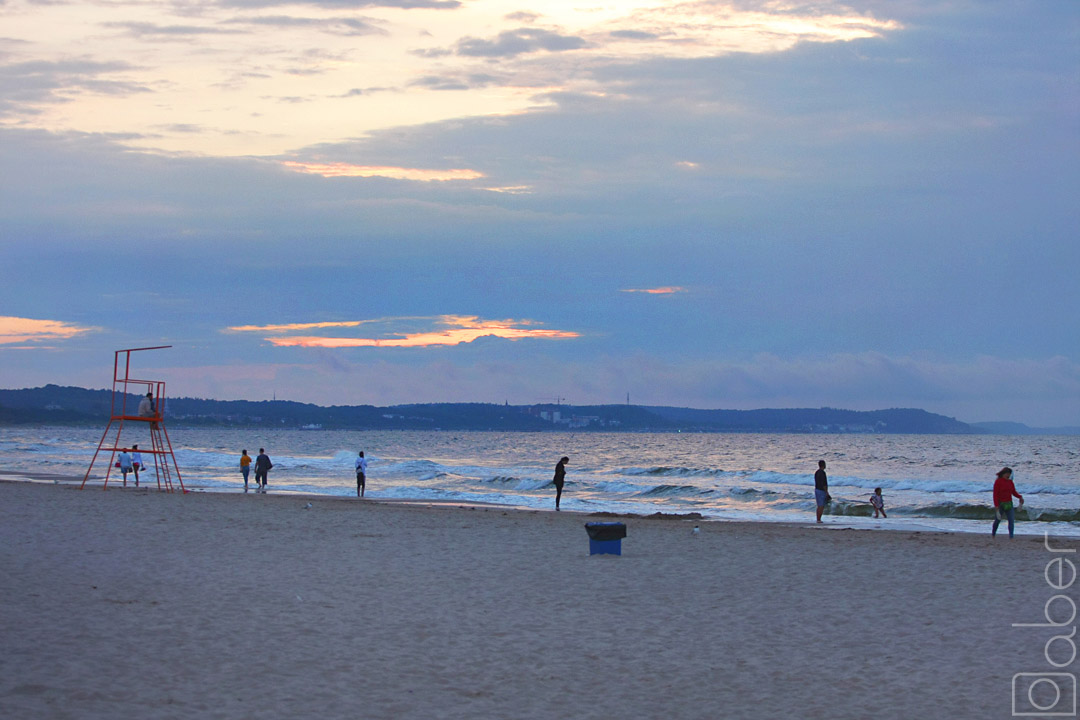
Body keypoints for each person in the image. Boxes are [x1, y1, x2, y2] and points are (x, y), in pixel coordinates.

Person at [992, 467, 1024, 539]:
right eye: (1007, 474)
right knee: (997, 520)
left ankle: (1011, 537)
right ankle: (993, 534)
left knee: (1011, 521)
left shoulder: (1010, 482)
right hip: (1000, 504)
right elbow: (995, 495)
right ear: (1003, 474)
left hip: (1009, 504)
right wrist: (996, 506)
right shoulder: (998, 482)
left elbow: (1014, 492)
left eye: (1009, 474)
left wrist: (1020, 497)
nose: (1008, 476)